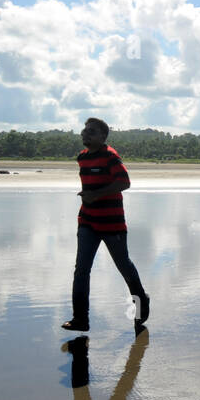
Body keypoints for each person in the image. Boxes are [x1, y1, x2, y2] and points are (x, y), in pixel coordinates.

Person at [62, 117, 150, 335]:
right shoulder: (82, 157)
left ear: (103, 137)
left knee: (124, 267)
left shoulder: (111, 157)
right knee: (81, 270)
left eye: (91, 132)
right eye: (84, 131)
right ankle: (80, 319)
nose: (85, 134)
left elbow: (125, 182)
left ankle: (141, 300)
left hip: (112, 224)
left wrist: (96, 194)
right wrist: (89, 198)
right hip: (87, 221)